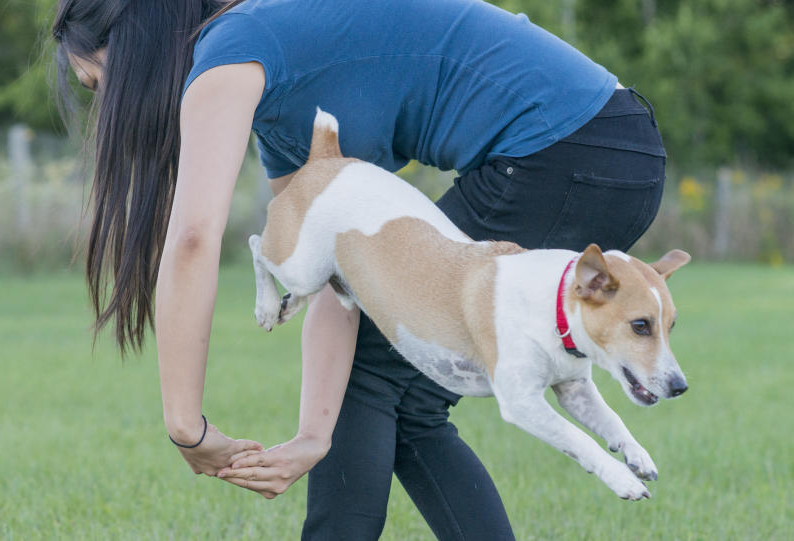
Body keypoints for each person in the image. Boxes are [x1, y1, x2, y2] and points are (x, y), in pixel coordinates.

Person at [51, 0, 666, 538]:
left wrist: (186, 426)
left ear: (138, 44)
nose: (104, 101)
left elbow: (192, 240)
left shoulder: (231, 47)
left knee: (383, 382)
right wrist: (312, 437)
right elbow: (343, 278)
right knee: (401, 396)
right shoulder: (276, 79)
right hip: (603, 147)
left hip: (567, 148)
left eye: (96, 78)